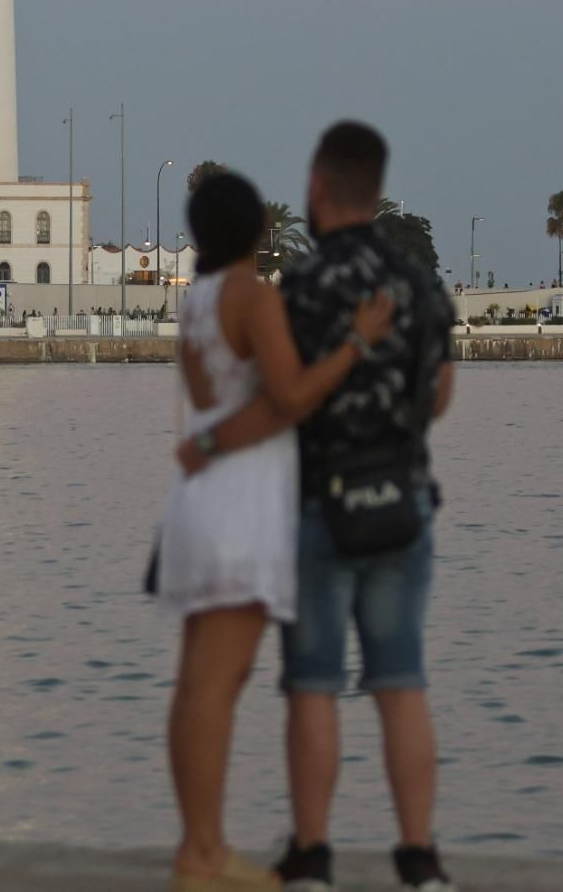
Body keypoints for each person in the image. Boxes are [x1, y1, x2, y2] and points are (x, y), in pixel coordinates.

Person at [178, 122, 458, 892]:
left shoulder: (297, 287)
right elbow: (439, 394)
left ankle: (313, 855)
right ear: (377, 188)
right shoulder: (421, 284)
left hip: (317, 507)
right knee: (401, 680)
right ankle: (418, 857)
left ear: (317, 189)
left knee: (313, 685)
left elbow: (280, 392)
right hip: (403, 502)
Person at [158, 171, 392, 891]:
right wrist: (357, 341)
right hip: (240, 505)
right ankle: (203, 853)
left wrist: (208, 444)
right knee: (216, 685)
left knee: (196, 683)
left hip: (199, 502)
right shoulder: (252, 297)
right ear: (257, 228)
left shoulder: (196, 300)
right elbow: (290, 397)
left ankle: (199, 846)